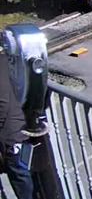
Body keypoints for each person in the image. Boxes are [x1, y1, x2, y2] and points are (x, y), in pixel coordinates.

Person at [0, 56, 33, 199]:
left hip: (10, 133)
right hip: (16, 128)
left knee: (20, 174)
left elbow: (3, 104)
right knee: (21, 173)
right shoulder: (6, 59)